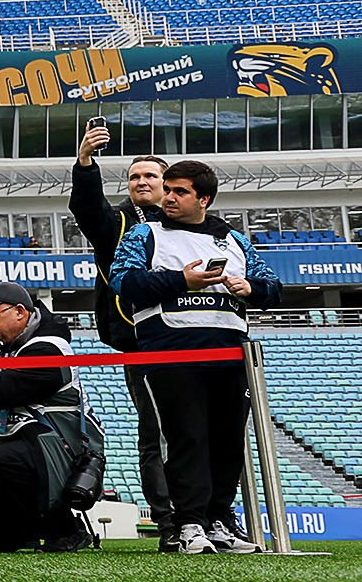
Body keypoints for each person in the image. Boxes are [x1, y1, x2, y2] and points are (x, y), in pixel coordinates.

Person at [111, 159, 280, 555]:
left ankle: (219, 520)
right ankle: (189, 524)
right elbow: (124, 282)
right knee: (185, 438)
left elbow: (274, 288)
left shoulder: (233, 240)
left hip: (229, 355)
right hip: (171, 351)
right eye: (167, 188)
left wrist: (249, 287)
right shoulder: (145, 233)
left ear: (203, 198)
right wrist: (180, 280)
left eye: (179, 191)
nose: (168, 197)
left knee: (226, 442)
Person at [0, 283, 102, 553]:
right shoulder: (7, 349)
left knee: (2, 458)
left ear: (19, 312)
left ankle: (65, 528)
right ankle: (30, 527)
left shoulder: (48, 349)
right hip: (30, 454)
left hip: (61, 454)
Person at [71, 133, 175, 545]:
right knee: (157, 432)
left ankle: (210, 518)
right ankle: (170, 523)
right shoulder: (116, 223)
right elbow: (86, 209)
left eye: (151, 175)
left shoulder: (186, 225)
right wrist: (84, 165)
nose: (141, 181)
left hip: (192, 340)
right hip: (144, 343)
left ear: (169, 184)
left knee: (199, 432)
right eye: (134, 176)